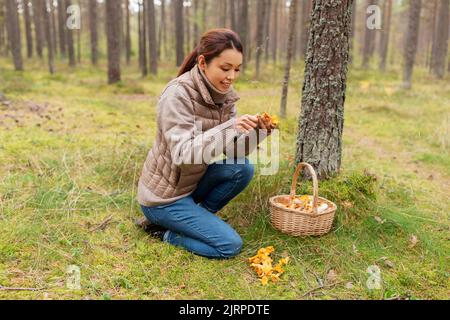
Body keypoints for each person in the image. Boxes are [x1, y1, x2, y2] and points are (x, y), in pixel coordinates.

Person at [136, 28, 275, 259]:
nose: (231, 76)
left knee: (243, 168)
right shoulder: (177, 95)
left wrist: (259, 133)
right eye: (225, 68)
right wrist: (230, 127)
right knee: (228, 245)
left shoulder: (226, 96)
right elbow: (182, 154)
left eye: (237, 69)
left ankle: (197, 219)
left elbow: (232, 151)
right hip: (163, 199)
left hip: (190, 185)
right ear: (202, 63)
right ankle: (164, 232)